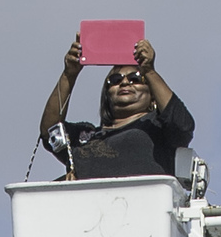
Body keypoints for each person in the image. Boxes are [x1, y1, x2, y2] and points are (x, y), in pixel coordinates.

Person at [36, 33, 194, 182]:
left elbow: (183, 125)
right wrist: (69, 74)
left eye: (135, 79)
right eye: (115, 80)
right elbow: (50, 131)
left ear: (152, 95)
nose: (125, 83)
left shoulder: (157, 127)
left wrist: (149, 71)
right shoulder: (86, 135)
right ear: (107, 94)